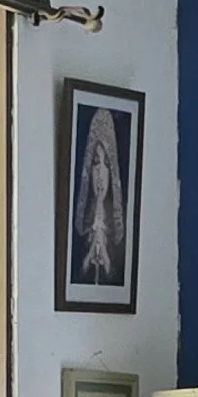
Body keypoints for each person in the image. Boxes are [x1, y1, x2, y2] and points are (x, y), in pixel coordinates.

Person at [74, 108, 127, 289]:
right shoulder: (80, 228)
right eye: (96, 163)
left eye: (106, 164)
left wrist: (104, 251)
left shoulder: (117, 231)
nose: (100, 174)